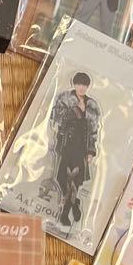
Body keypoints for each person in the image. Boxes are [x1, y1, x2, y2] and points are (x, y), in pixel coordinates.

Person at [50, 71, 100, 229]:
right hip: (67, 144)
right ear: (74, 84)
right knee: (62, 178)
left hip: (82, 146)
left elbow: (93, 130)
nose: (81, 87)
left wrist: (91, 151)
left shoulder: (92, 105)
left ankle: (64, 214)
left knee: (76, 180)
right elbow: (55, 118)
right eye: (79, 84)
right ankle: (75, 202)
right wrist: (74, 110)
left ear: (88, 86)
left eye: (84, 85)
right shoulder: (65, 98)